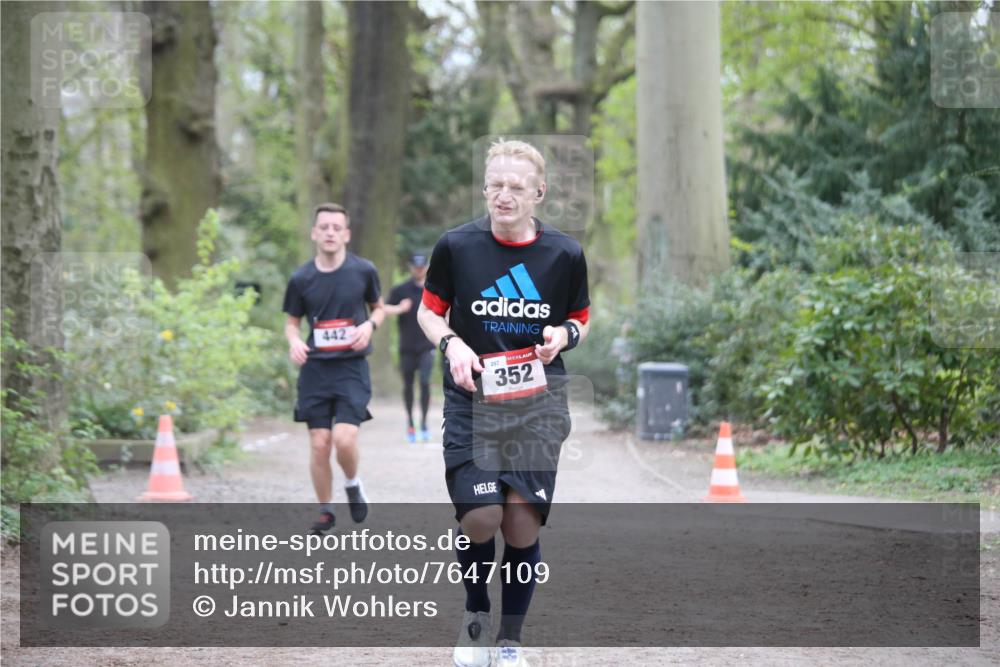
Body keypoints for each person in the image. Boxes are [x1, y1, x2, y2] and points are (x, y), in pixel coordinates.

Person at [417, 140, 590, 667]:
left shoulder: (563, 254)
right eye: (495, 184)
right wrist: (454, 345)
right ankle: (475, 618)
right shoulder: (457, 246)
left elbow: (580, 318)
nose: (504, 195)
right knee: (481, 518)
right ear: (485, 187)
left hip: (538, 405)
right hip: (474, 402)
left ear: (539, 192)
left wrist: (561, 337)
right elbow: (429, 313)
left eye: (516, 186)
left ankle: (510, 639)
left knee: (521, 525)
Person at [283, 202, 385, 535]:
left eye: (336, 227)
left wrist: (369, 326)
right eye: (323, 227)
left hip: (351, 369)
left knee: (343, 439)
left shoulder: (363, 271)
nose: (329, 232)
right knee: (319, 443)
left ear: (346, 234)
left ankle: (353, 484)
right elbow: (291, 324)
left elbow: (379, 309)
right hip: (315, 371)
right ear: (314, 233)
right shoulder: (301, 278)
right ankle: (326, 510)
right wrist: (295, 342)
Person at [383, 253, 435, 443]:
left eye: (422, 267)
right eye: (416, 266)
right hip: (407, 347)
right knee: (408, 386)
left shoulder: (433, 288)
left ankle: (424, 423)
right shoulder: (401, 290)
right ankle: (411, 423)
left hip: (427, 345)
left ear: (427, 267)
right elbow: (381, 308)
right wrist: (399, 309)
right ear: (410, 267)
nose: (419, 270)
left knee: (424, 382)